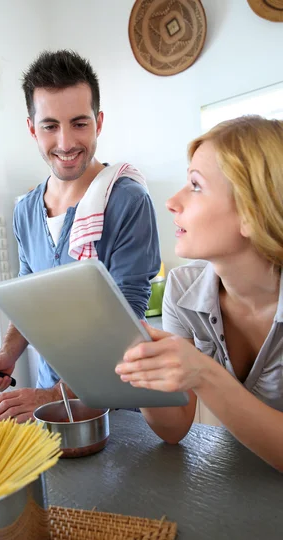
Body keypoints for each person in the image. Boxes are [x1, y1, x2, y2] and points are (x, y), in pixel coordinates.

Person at [0, 49, 161, 421]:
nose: (65, 143)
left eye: (79, 123)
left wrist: (50, 395)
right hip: (47, 408)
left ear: (99, 121)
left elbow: (124, 325)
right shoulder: (26, 210)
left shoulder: (127, 200)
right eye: (49, 126)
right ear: (31, 128)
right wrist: (9, 353)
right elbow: (31, 295)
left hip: (114, 407)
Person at [116, 115, 283, 471]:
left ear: (253, 213)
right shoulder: (181, 287)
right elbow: (174, 428)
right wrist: (142, 365)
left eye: (195, 185)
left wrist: (203, 373)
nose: (172, 201)